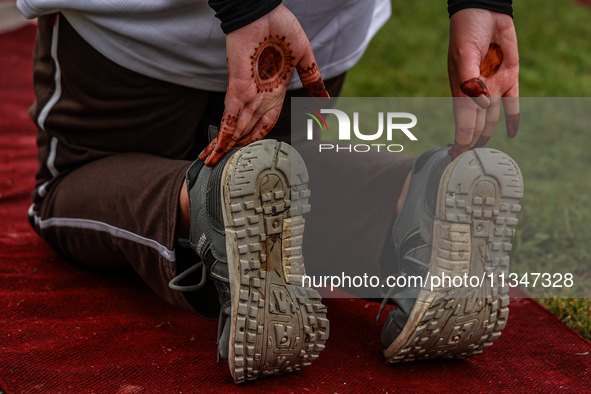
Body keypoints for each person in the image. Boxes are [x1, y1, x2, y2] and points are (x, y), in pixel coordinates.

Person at [17, 0, 522, 383]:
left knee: (67, 185)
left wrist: (249, 7)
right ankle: (415, 194)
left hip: (144, 33)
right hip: (315, 26)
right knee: (288, 173)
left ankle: (212, 198)